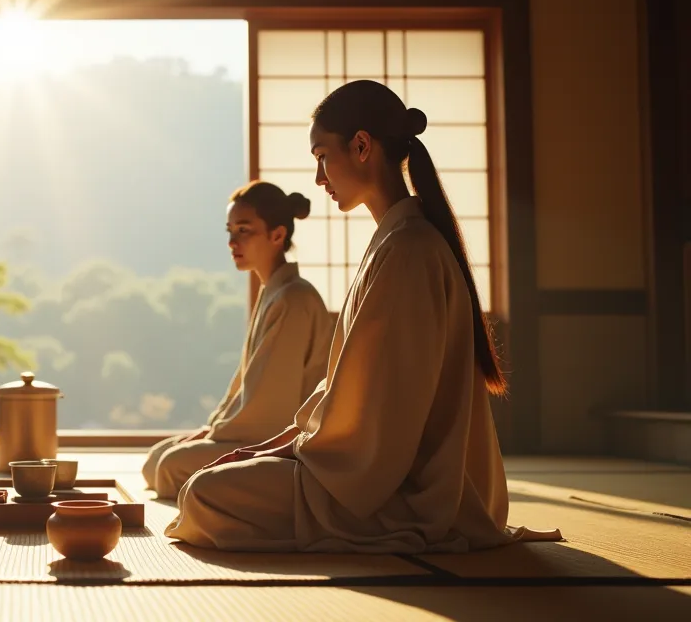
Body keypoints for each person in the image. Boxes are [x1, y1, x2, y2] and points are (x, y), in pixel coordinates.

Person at [164, 80, 561, 553]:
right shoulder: (395, 244)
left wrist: (293, 450)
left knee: (204, 496)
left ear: (361, 146)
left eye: (321, 156)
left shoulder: (409, 251)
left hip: (395, 491)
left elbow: (380, 415)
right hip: (362, 470)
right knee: (205, 485)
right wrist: (275, 447)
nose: (318, 178)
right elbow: (344, 389)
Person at [142, 181, 332, 500]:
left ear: (277, 235)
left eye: (244, 230)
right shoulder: (274, 291)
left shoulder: (294, 298)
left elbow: (269, 409)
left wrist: (216, 435)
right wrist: (213, 429)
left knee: (170, 467)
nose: (232, 242)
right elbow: (245, 385)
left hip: (283, 441)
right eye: (229, 230)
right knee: (155, 461)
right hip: (253, 430)